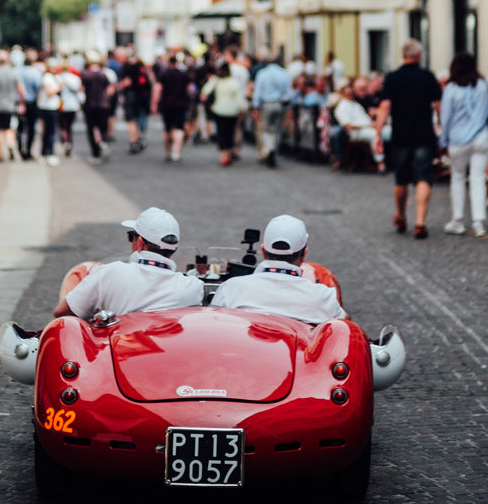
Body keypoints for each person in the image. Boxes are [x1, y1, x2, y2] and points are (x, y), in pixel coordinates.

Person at [54, 207, 203, 317]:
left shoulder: (110, 273)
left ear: (140, 242)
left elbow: (61, 312)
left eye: (130, 236)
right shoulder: (193, 288)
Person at [210, 216, 346, 324]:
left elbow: (214, 325)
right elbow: (343, 324)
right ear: (304, 254)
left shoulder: (231, 288)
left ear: (263, 251)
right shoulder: (323, 296)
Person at [373, 39, 442, 238]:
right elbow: (438, 105)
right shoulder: (427, 76)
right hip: (424, 134)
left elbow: (385, 106)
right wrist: (442, 127)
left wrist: (378, 133)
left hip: (400, 135)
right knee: (423, 177)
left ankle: (402, 215)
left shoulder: (392, 77)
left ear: (403, 56)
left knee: (401, 179)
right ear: (418, 55)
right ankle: (420, 223)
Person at [440, 52, 488, 237]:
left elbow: (445, 118)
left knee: (457, 178)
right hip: (481, 136)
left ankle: (458, 220)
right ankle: (478, 222)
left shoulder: (451, 88)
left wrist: (443, 140)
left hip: (458, 139)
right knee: (478, 178)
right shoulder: (483, 84)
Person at [251, 52, 292, 168]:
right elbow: (288, 93)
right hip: (279, 103)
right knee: (276, 128)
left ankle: (268, 149)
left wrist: (255, 107)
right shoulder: (284, 73)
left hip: (266, 103)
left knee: (265, 129)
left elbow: (257, 92)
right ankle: (273, 148)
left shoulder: (262, 74)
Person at [200, 60, 244, 167]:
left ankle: (223, 155)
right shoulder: (234, 82)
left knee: (221, 132)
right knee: (230, 132)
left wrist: (208, 103)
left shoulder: (215, 80)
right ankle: (229, 153)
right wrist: (242, 109)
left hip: (219, 109)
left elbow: (204, 92)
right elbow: (239, 99)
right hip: (232, 110)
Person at [153, 51, 191, 163]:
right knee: (179, 128)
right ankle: (176, 153)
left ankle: (168, 151)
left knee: (167, 128)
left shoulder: (163, 74)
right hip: (181, 104)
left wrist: (154, 104)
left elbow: (157, 89)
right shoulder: (183, 74)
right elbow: (191, 90)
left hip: (166, 105)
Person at [81, 53, 115, 162]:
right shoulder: (103, 75)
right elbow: (110, 90)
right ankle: (104, 143)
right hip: (103, 105)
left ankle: (95, 154)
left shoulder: (85, 75)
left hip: (90, 105)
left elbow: (81, 90)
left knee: (91, 129)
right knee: (103, 128)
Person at [0, 51, 21, 161]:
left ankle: (0, 154)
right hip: (10, 105)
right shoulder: (13, 72)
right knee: (9, 129)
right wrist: (22, 102)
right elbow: (21, 89)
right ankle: (10, 145)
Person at [119, 50, 152, 153]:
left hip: (132, 95)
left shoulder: (127, 67)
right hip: (143, 96)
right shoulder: (141, 66)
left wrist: (118, 87)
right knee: (138, 118)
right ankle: (140, 138)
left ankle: (134, 141)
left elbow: (127, 82)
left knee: (130, 119)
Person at [15, 49, 42, 160]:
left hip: (19, 102)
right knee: (31, 128)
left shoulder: (18, 72)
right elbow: (38, 88)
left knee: (20, 127)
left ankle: (21, 148)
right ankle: (28, 150)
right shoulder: (35, 73)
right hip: (31, 102)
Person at [37, 58, 63, 166]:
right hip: (48, 108)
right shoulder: (47, 77)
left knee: (48, 132)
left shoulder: (52, 77)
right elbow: (49, 92)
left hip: (50, 107)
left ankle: (45, 153)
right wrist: (59, 86)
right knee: (50, 132)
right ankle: (49, 153)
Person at [58, 59, 83, 156]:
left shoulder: (59, 78)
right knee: (69, 126)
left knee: (63, 126)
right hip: (73, 105)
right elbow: (79, 92)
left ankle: (65, 141)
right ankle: (69, 142)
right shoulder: (75, 78)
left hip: (62, 105)